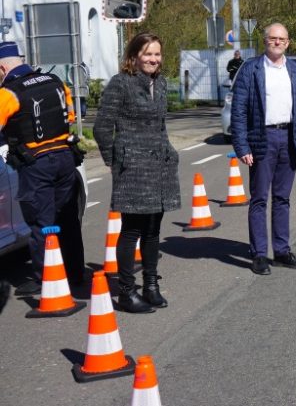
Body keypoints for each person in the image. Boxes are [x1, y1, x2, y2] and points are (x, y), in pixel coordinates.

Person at [93, 33, 180, 313]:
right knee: (132, 230)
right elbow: (102, 127)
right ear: (134, 57)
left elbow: (160, 124)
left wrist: (170, 152)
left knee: (153, 228)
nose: (153, 59)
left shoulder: (162, 83)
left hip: (160, 164)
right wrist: (113, 160)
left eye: (157, 54)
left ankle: (151, 285)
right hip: (133, 167)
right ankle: (127, 292)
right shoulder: (121, 84)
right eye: (147, 54)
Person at [0, 42, 86, 297]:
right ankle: (75, 273)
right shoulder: (55, 81)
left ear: (2, 68)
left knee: (42, 223)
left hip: (36, 164)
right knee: (68, 218)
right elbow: (70, 117)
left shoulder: (8, 93)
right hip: (65, 157)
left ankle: (46, 278)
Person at [231, 23, 296, 275]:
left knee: (283, 198)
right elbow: (239, 110)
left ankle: (282, 250)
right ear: (265, 41)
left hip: (289, 138)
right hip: (262, 138)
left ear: (288, 43)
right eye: (272, 38)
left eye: (282, 39)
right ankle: (258, 254)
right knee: (259, 199)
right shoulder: (250, 69)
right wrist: (242, 145)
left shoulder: (294, 69)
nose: (277, 42)